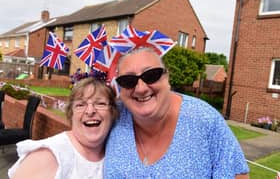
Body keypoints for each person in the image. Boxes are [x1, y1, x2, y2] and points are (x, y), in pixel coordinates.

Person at [104, 47, 249, 178]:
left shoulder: (204, 120)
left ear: (167, 78)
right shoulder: (113, 117)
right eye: (128, 81)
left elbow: (237, 174)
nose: (141, 88)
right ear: (120, 88)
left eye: (151, 75)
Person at [8, 77, 118, 179]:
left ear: (112, 112)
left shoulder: (116, 156)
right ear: (71, 114)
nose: (90, 111)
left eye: (100, 103)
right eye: (80, 105)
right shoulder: (48, 157)